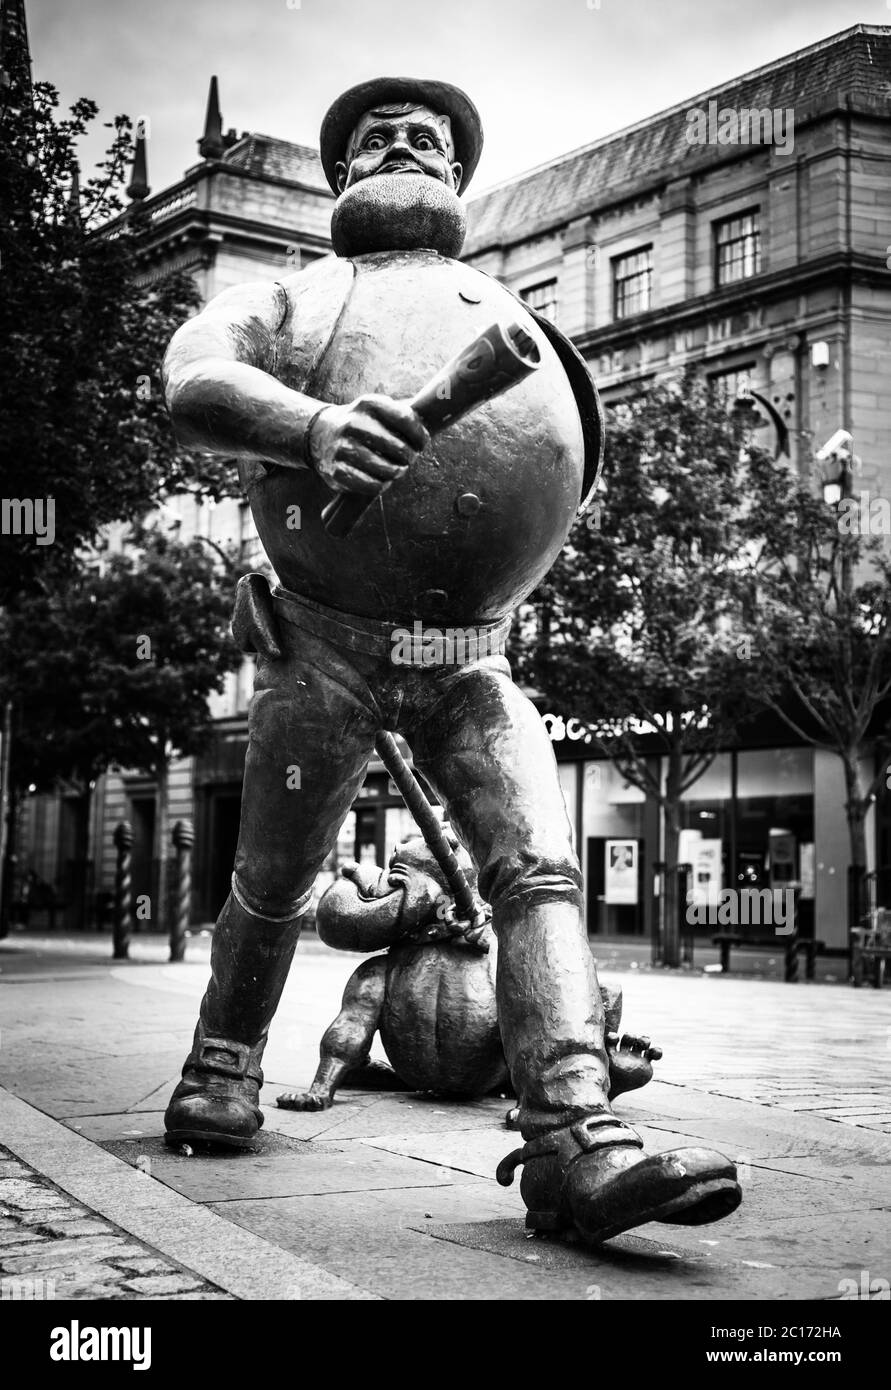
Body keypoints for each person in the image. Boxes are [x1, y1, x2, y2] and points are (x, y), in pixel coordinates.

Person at [161, 76, 741, 1244]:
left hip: (472, 654)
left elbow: (560, 470)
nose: (406, 145)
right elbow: (192, 378)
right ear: (339, 178)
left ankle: (575, 1142)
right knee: (273, 878)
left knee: (538, 867)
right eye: (378, 137)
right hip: (323, 642)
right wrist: (311, 427)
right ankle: (221, 1063)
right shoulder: (296, 294)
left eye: (430, 139)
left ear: (459, 180)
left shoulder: (506, 309)